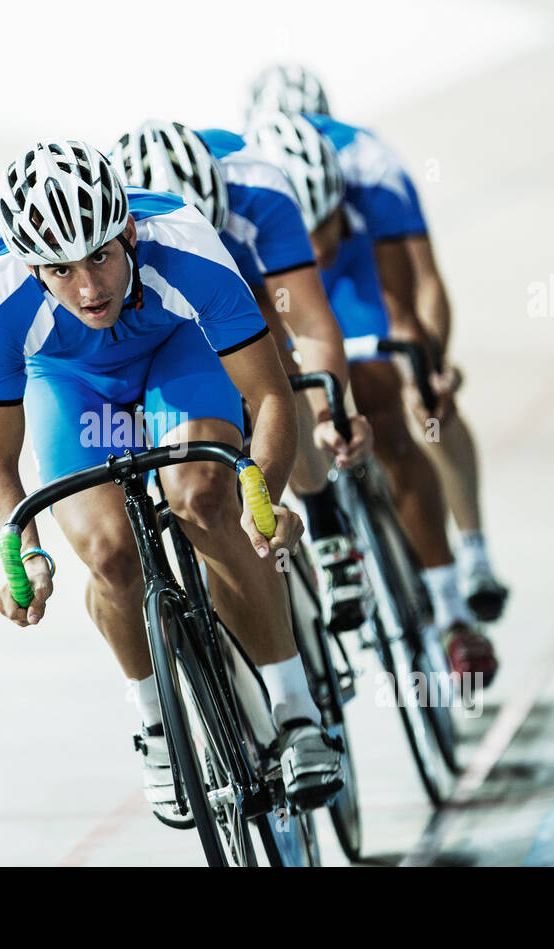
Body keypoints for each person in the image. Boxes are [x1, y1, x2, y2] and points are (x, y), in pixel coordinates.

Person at [0, 140, 344, 824]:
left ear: (130, 230)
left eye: (103, 256)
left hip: (178, 351)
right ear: (29, 267)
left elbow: (274, 397)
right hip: (72, 386)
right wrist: (21, 553)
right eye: (61, 269)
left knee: (203, 495)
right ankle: (158, 728)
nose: (89, 288)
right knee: (110, 554)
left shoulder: (186, 243)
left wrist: (267, 500)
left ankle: (296, 713)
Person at [249, 64, 511, 622]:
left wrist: (429, 364)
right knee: (288, 384)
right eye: (305, 230)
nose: (316, 242)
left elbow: (420, 286)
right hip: (282, 277)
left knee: (412, 398)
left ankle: (469, 562)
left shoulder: (371, 169)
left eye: (324, 223)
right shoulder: (249, 193)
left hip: (357, 268)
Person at [110, 119, 373, 633]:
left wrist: (329, 412)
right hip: (164, 297)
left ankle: (325, 519)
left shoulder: (260, 192)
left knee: (269, 347)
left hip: (250, 275)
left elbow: (313, 322)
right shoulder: (113, 222)